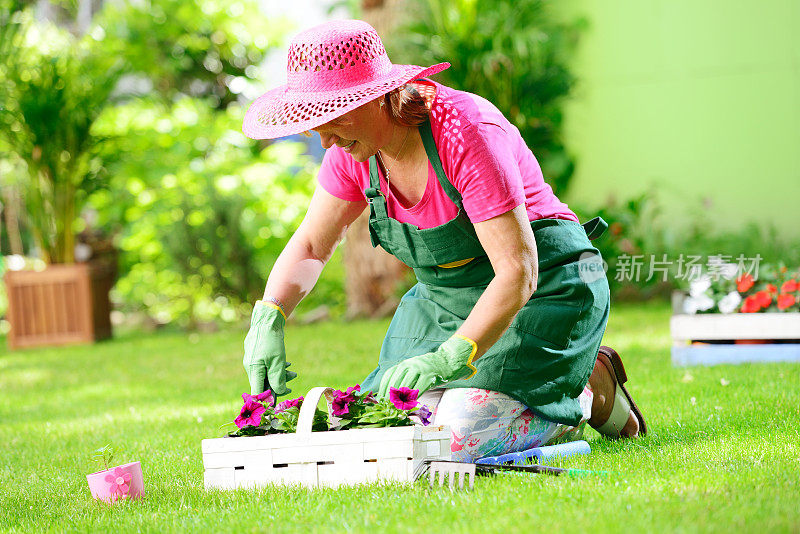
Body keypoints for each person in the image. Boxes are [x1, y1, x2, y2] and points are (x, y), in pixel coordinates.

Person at [241, 19, 646, 462]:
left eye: (331, 114)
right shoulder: (353, 151)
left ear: (378, 96)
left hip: (544, 288)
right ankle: (550, 386)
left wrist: (451, 357)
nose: (324, 137)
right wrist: (270, 316)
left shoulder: (465, 132)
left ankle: (584, 391)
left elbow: (518, 270)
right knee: (395, 433)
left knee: (451, 442)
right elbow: (312, 245)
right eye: (313, 118)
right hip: (446, 300)